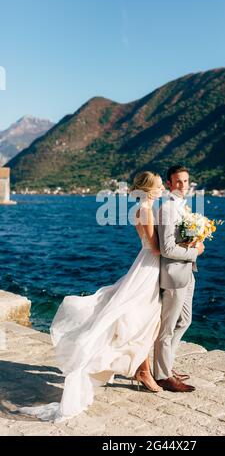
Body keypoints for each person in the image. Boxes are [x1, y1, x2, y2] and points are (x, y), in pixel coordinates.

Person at [18, 171, 166, 422]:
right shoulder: (147, 209)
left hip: (143, 263)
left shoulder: (140, 208)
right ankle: (140, 370)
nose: (163, 189)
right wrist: (185, 243)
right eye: (160, 186)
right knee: (142, 319)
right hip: (149, 265)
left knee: (141, 318)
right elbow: (154, 246)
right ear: (150, 189)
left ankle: (141, 369)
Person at [154, 165, 205, 392]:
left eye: (185, 181)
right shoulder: (167, 209)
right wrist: (196, 251)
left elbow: (180, 239)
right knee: (166, 328)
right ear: (169, 184)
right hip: (174, 274)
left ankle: (167, 365)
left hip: (188, 273)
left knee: (185, 321)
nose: (183, 185)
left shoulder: (182, 207)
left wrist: (195, 240)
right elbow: (166, 248)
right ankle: (162, 375)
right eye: (178, 181)